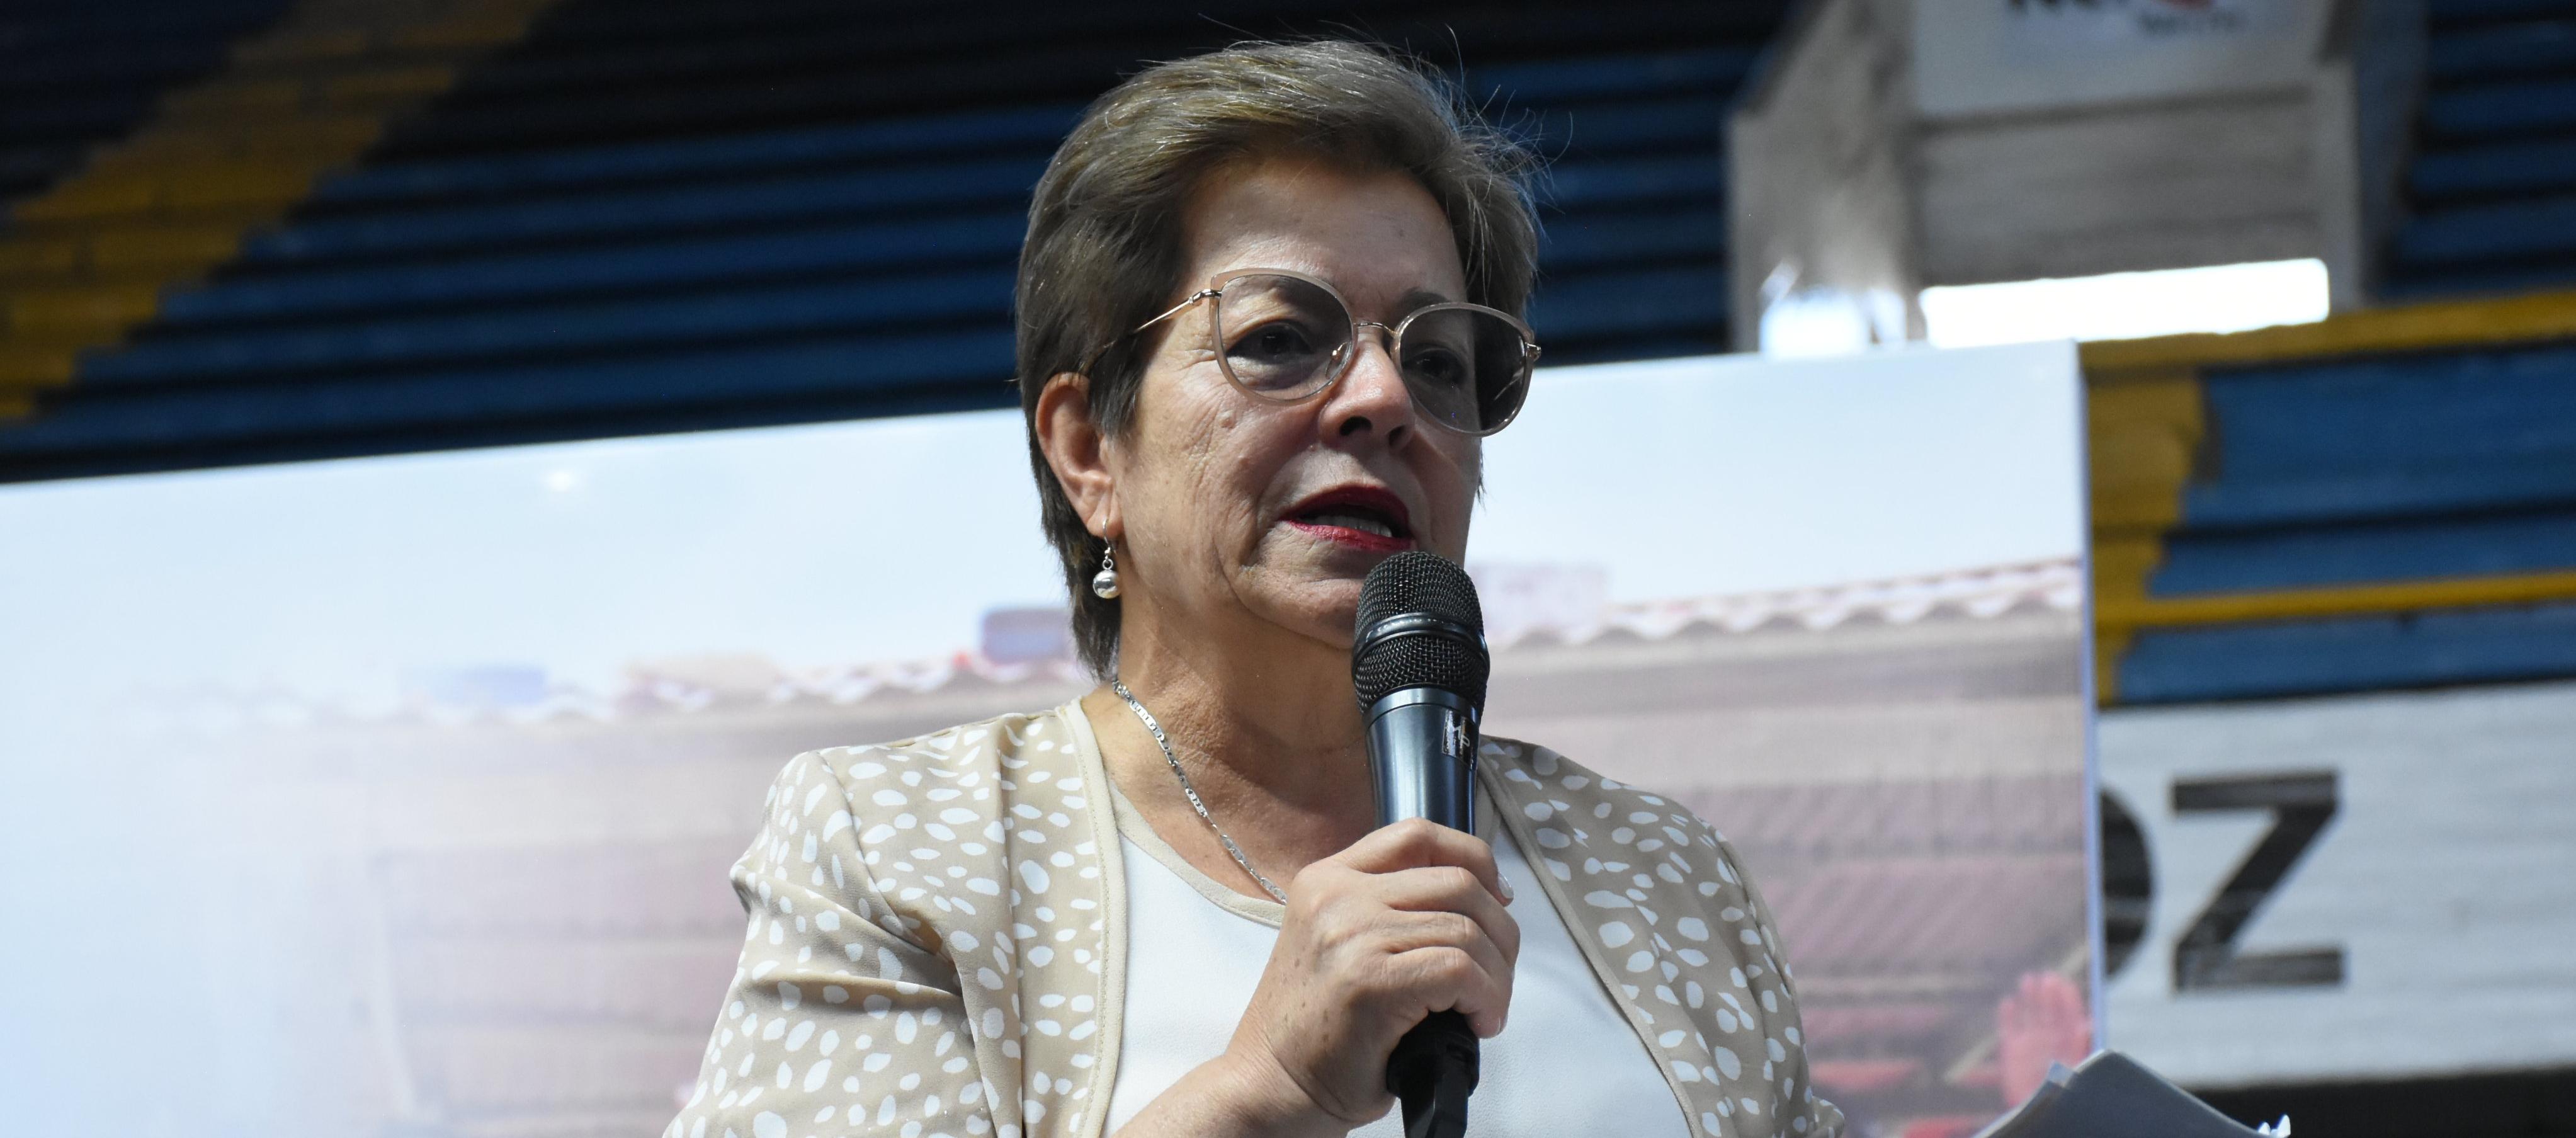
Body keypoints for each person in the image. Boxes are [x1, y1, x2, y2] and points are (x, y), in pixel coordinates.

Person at [665, 40, 1844, 1138]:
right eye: (1281, 338)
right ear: (1089, 451)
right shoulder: (901, 852)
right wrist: (1269, 1088)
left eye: (1438, 358)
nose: (1383, 399)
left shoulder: (1660, 874)